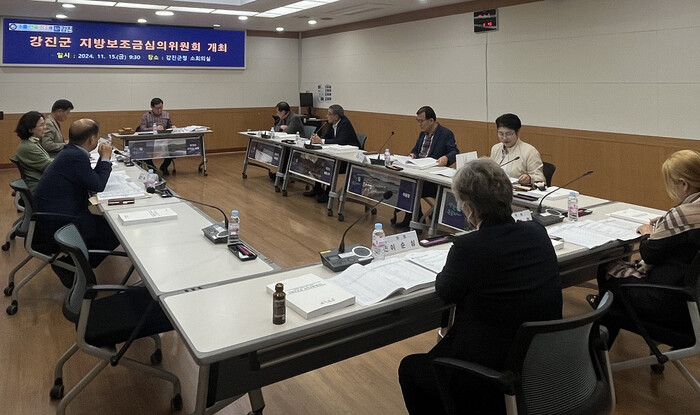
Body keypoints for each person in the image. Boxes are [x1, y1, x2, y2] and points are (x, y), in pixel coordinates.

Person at [398, 158, 562, 415]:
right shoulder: (537, 231)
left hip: (490, 374)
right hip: (539, 363)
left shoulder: (468, 248)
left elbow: (445, 292)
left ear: (468, 209)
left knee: (411, 369)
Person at [589, 149, 700, 345]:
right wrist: (665, 224)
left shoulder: (682, 215)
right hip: (691, 298)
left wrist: (649, 232)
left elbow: (649, 254)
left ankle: (598, 347)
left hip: (668, 301)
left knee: (607, 270)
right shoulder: (691, 211)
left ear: (684, 184)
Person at [34, 119, 120, 272]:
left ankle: (76, 262)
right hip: (58, 220)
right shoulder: (76, 157)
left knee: (107, 224)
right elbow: (98, 185)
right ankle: (73, 267)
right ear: (92, 139)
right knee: (114, 230)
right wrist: (106, 158)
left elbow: (92, 180)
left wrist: (102, 159)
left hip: (53, 212)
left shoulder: (71, 152)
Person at [393, 106, 459, 228]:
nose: (419, 124)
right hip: (420, 173)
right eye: (417, 121)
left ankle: (415, 220)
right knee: (405, 183)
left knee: (410, 186)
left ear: (431, 120)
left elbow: (454, 152)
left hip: (433, 179)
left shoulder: (446, 134)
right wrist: (413, 155)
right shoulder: (422, 134)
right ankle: (413, 218)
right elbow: (415, 150)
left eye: (421, 121)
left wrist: (446, 158)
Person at [307, 104, 360, 203]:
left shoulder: (345, 124)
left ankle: (328, 193)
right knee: (318, 162)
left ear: (336, 116)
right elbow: (327, 136)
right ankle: (317, 189)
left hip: (350, 158)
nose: (326, 116)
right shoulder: (332, 123)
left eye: (329, 114)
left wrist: (321, 141)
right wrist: (317, 139)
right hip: (338, 154)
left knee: (330, 165)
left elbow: (341, 141)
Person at [489, 113, 545, 185]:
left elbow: (540, 178)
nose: (504, 138)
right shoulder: (495, 148)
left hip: (518, 189)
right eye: (501, 134)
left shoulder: (529, 151)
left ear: (517, 132)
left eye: (508, 134)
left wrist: (529, 178)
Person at [14, 111, 52, 193]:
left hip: (41, 182)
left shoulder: (31, 142)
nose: (45, 127)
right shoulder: (28, 147)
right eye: (42, 125)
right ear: (30, 129)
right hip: (39, 187)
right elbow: (49, 166)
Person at [139, 97, 175, 176]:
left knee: (173, 148)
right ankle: (152, 167)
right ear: (152, 107)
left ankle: (164, 166)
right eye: (157, 108)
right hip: (150, 140)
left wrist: (173, 128)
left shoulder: (166, 114)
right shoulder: (146, 116)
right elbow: (142, 129)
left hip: (164, 139)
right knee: (144, 150)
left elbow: (169, 127)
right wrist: (154, 129)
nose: (159, 110)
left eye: (161, 108)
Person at [269, 101, 304, 181]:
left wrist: (281, 129)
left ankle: (283, 174)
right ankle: (281, 173)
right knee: (281, 149)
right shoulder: (283, 118)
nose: (277, 114)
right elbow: (274, 128)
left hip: (298, 144)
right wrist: (281, 127)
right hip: (288, 142)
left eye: (278, 112)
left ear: (283, 112)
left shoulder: (294, 118)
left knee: (285, 152)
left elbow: (288, 132)